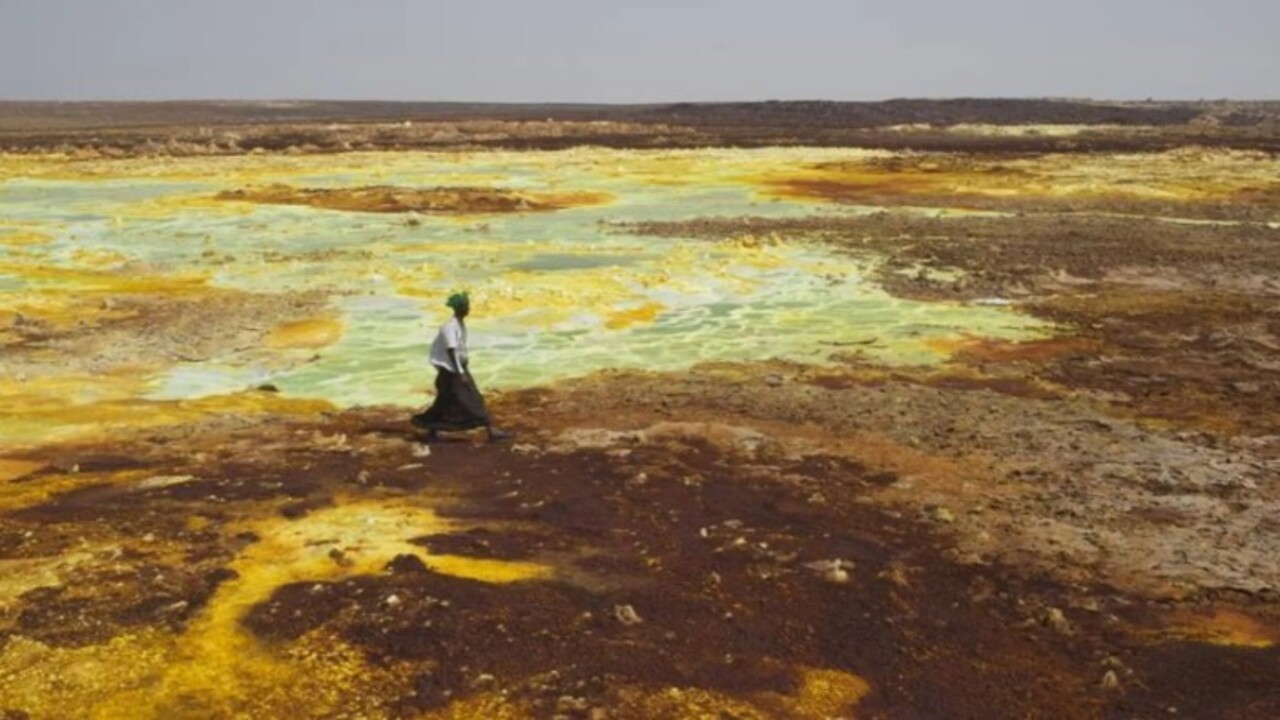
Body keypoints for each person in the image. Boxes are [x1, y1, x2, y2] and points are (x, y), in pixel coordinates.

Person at [411, 292, 511, 442]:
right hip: (452, 370)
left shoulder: (458, 324)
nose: (468, 309)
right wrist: (460, 372)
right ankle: (491, 432)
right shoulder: (449, 327)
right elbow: (451, 350)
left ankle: (432, 431)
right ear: (460, 308)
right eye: (466, 306)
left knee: (445, 402)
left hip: (454, 369)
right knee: (473, 399)